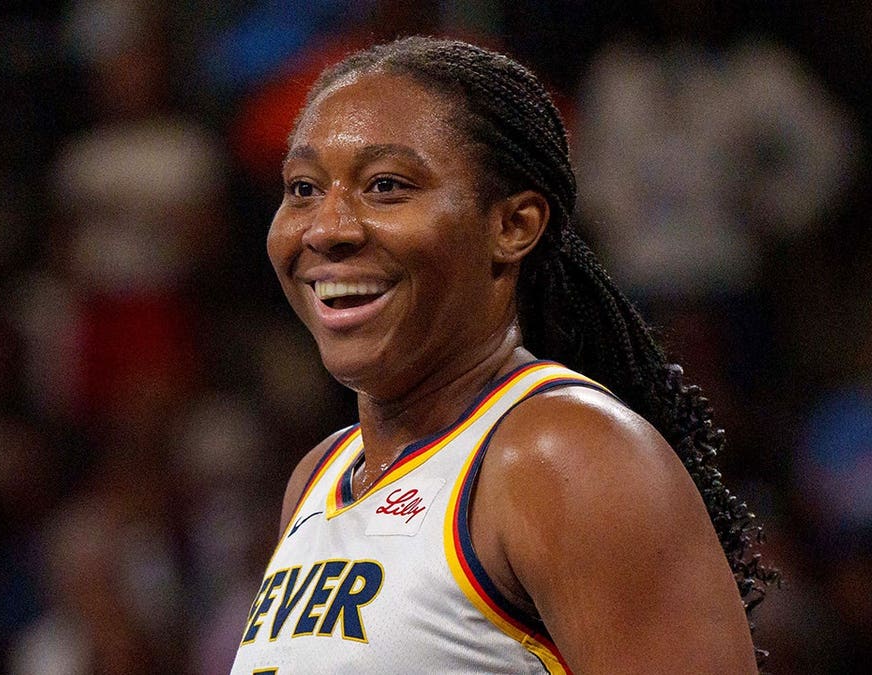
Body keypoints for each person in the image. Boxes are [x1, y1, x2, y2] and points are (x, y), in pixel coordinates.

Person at [231, 37, 775, 674]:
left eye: (385, 186)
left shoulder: (563, 455)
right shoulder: (318, 477)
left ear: (513, 226)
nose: (326, 228)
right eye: (302, 188)